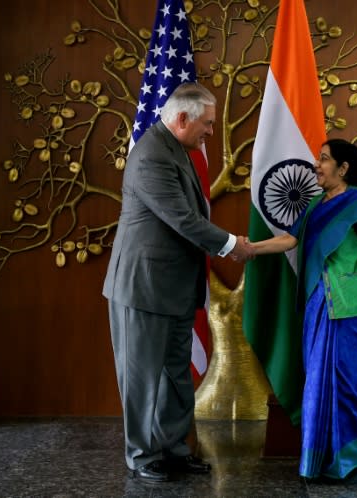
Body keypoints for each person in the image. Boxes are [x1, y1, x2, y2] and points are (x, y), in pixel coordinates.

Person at [103, 82, 254, 483]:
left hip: (173, 287)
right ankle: (142, 455)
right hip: (142, 288)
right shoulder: (151, 155)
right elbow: (183, 220)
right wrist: (231, 245)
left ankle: (172, 449)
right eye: (206, 124)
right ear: (182, 118)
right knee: (141, 379)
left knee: (175, 374)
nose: (210, 132)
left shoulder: (179, 150)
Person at [249, 138, 357, 483]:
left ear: (343, 168)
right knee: (318, 383)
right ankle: (316, 461)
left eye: (323, 159)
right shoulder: (316, 206)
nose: (316, 165)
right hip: (320, 306)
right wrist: (250, 249)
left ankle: (347, 461)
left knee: (351, 387)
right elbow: (290, 239)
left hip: (356, 310)